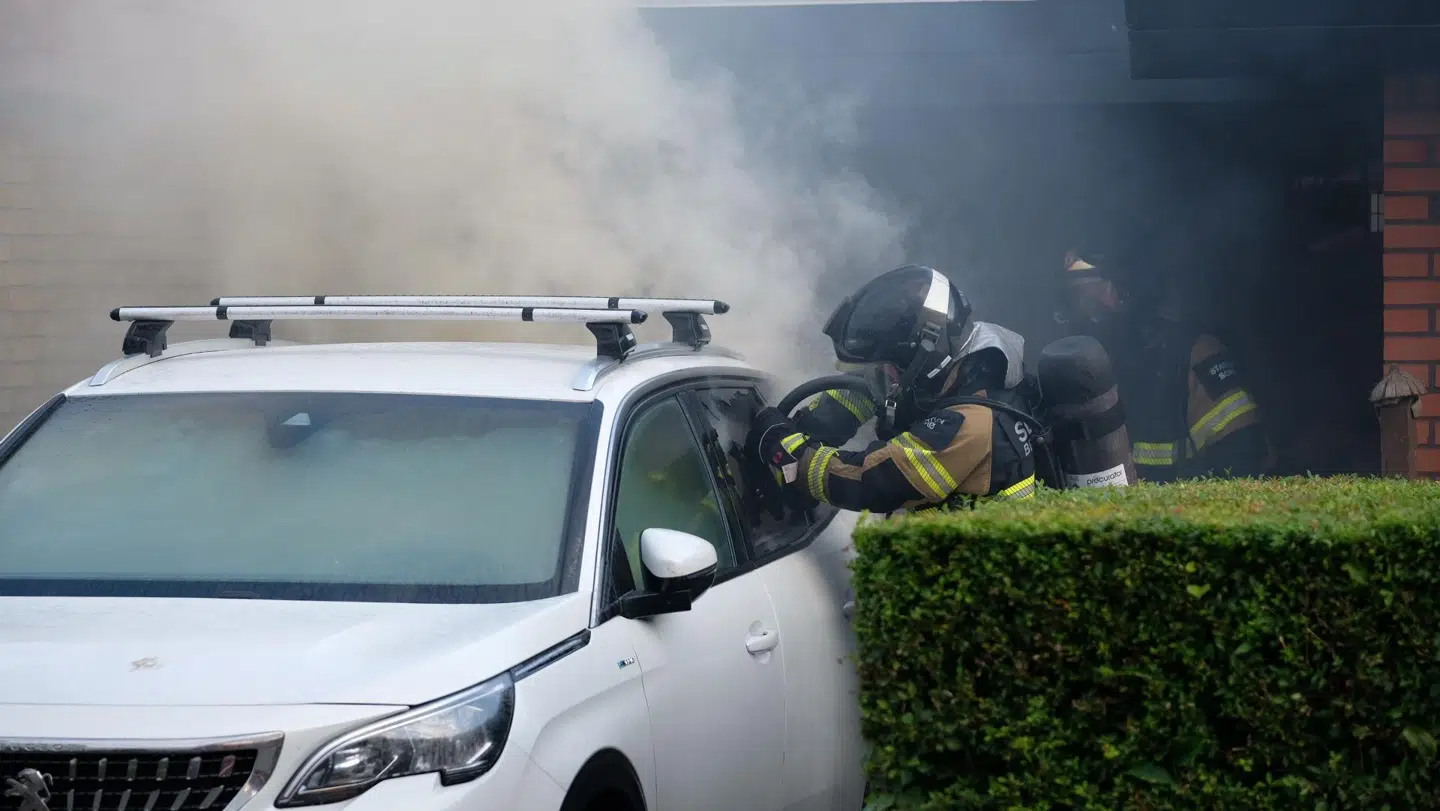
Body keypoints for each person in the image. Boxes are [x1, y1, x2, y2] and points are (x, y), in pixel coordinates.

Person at [746, 264, 1041, 515]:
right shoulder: (955, 370)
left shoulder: (970, 423)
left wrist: (788, 453)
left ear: (925, 357)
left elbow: (872, 481)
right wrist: (811, 425)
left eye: (889, 367)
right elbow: (868, 391)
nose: (884, 375)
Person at [1055, 248, 1274, 482]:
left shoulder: (1191, 356)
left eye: (1090, 297)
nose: (1084, 314)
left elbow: (1245, 463)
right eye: (1074, 299)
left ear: (1126, 291)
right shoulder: (1064, 376)